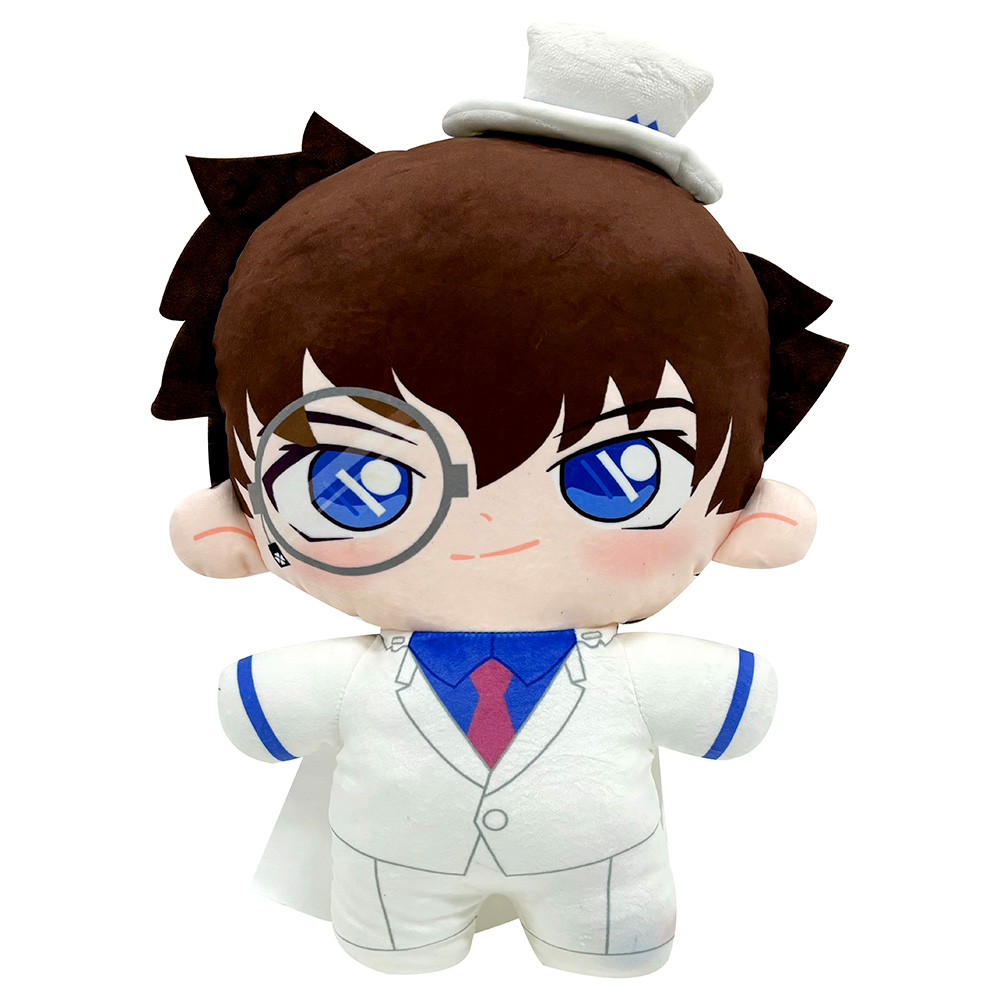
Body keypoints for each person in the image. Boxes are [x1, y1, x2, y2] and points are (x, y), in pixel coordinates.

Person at [154, 23, 846, 978]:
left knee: (611, 953)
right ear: (235, 516)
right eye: (358, 481)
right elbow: (249, 720)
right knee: (394, 957)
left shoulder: (628, 675)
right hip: (391, 894)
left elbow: (739, 718)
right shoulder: (356, 680)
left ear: (749, 509)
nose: (481, 527)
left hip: (606, 891)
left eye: (617, 472)